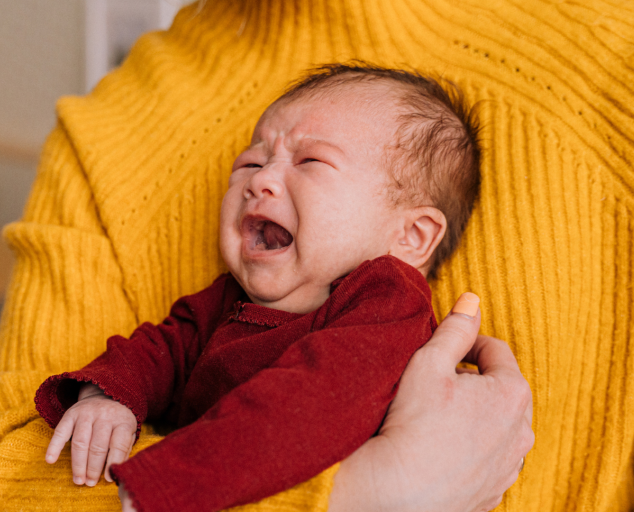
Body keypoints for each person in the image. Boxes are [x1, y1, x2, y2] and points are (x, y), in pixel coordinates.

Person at [33, 64, 532, 512]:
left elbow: (309, 405)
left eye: (311, 162)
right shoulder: (230, 301)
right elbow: (159, 350)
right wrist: (105, 396)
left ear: (411, 236)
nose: (260, 180)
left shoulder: (387, 304)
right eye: (250, 163)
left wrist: (169, 484)